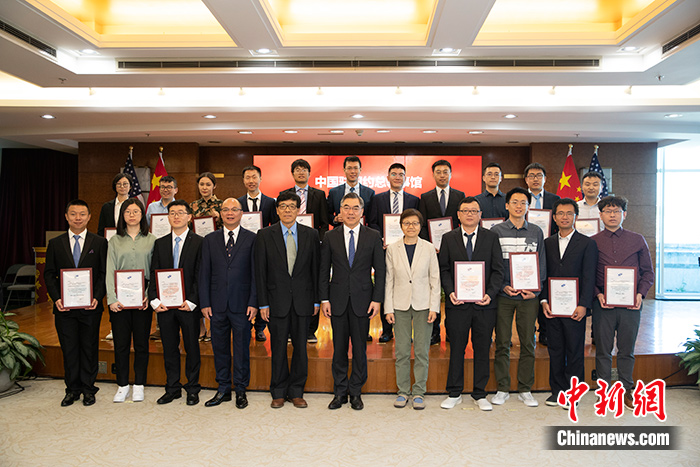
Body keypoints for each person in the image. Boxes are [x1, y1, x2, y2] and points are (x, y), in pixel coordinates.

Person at [255, 192, 320, 409]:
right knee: (278, 347)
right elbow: (260, 272)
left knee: (301, 348)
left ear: (299, 210)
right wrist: (263, 303)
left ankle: (297, 391)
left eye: (292, 206)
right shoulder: (265, 235)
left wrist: (316, 301)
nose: (287, 210)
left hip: (303, 301)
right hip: (276, 302)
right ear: (277, 210)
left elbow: (316, 270)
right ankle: (278, 391)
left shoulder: (311, 234)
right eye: (283, 206)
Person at [320, 193, 385, 411]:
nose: (350, 212)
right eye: (346, 207)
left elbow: (380, 271)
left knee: (359, 349)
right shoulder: (330, 236)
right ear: (340, 211)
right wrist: (324, 299)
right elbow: (323, 271)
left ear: (362, 211)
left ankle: (356, 391)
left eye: (355, 208)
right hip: (337, 300)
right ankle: (340, 392)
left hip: (363, 301)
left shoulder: (373, 236)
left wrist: (377, 299)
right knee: (338, 349)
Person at [438, 197, 504, 411]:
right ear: (458, 214)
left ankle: (479, 393)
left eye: (474, 211)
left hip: (484, 304)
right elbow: (444, 269)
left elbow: (498, 270)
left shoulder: (491, 237)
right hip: (457, 304)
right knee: (456, 347)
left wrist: (490, 294)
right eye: (465, 210)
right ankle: (454, 392)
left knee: (482, 348)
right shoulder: (448, 238)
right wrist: (450, 291)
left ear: (480, 214)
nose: (469, 214)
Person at [591, 196, 653, 410]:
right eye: (608, 211)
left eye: (616, 211)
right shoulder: (592, 242)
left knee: (626, 350)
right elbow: (588, 274)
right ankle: (604, 391)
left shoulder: (637, 240)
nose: (612, 215)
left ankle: (627, 390)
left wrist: (640, 294)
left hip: (631, 304)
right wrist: (597, 294)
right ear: (600, 215)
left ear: (624, 214)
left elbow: (648, 272)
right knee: (603, 350)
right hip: (603, 304)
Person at [44, 200, 108, 407]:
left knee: (89, 348)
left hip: (91, 307)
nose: (77, 218)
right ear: (66, 216)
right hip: (65, 308)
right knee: (69, 349)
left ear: (89, 217)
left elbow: (103, 274)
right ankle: (72, 390)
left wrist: (97, 296)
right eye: (73, 214)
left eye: (82, 214)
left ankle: (89, 389)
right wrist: (57, 298)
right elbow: (49, 274)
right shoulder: (56, 243)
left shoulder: (100, 242)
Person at [489, 187, 546, 408]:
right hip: (504, 295)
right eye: (515, 202)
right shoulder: (496, 231)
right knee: (502, 342)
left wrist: (536, 290)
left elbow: (541, 263)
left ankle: (525, 388)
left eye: (523, 202)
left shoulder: (536, 231)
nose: (519, 206)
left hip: (529, 296)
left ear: (529, 206)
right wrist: (503, 286)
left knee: (528, 342)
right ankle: (502, 388)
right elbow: (494, 264)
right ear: (507, 205)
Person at [199, 198, 258, 409]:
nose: (230, 213)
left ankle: (241, 389)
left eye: (234, 209)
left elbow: (256, 274)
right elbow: (204, 273)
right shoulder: (210, 239)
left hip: (242, 305)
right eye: (226, 210)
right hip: (216, 305)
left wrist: (253, 302)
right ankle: (223, 388)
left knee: (241, 349)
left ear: (242, 213)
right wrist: (205, 302)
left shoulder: (252, 239)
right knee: (220, 348)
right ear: (220, 213)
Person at [540, 198, 598, 407]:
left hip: (575, 308)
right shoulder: (546, 243)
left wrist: (583, 304)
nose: (564, 217)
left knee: (574, 350)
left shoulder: (587, 243)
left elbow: (589, 276)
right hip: (553, 307)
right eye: (560, 214)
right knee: (555, 349)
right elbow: (543, 274)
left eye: (569, 213)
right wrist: (544, 300)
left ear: (576, 217)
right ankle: (557, 391)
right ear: (554, 218)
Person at [148, 200, 203, 406]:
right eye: (172, 213)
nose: (176, 216)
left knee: (191, 347)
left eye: (181, 212)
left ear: (189, 217)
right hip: (165, 306)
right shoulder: (160, 243)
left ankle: (192, 388)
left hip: (188, 306)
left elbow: (200, 275)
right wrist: (154, 299)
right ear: (167, 217)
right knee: (169, 348)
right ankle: (172, 388)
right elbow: (154, 273)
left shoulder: (199, 242)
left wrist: (193, 301)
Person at [384, 209, 440, 410]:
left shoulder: (429, 248)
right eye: (406, 223)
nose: (411, 227)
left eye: (415, 223)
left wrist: (434, 307)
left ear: (420, 225)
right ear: (401, 226)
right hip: (399, 305)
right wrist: (388, 308)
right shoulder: (392, 249)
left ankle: (418, 392)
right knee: (401, 351)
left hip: (423, 305)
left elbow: (435, 279)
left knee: (422, 351)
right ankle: (403, 391)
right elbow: (389, 280)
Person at [106, 198, 157, 403]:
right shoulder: (114, 241)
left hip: (143, 298)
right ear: (122, 216)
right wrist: (112, 298)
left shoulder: (152, 240)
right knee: (121, 344)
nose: (132, 215)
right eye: (128, 212)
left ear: (142, 215)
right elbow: (109, 270)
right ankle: (122, 385)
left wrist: (148, 295)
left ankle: (139, 384)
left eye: (136, 211)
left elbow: (155, 271)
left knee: (142, 344)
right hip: (120, 299)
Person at [367, 163, 420, 343]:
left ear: (406, 178)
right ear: (388, 177)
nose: (397, 177)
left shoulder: (414, 200)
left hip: (408, 249)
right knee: (386, 285)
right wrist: (382, 238)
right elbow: (373, 222)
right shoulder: (377, 199)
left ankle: (407, 330)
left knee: (407, 286)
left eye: (401, 174)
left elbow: (417, 224)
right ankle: (387, 329)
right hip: (386, 249)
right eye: (394, 174)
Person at [279, 158, 329, 343]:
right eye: (297, 169)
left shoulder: (319, 194)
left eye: (304, 169)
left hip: (311, 245)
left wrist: (319, 241)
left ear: (309, 173)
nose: (301, 172)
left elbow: (324, 222)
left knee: (311, 283)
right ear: (292, 173)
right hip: (289, 243)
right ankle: (290, 329)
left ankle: (310, 330)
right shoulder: (284, 195)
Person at [418, 159, 465, 345]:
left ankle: (452, 330)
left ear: (451, 174)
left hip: (454, 251)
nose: (442, 175)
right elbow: (422, 225)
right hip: (432, 251)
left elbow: (463, 223)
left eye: (445, 171)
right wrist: (430, 245)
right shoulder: (425, 197)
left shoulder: (460, 195)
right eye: (438, 172)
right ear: (433, 175)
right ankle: (434, 332)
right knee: (434, 290)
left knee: (453, 289)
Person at [238, 165, 277, 342]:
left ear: (261, 179)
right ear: (243, 180)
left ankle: (260, 327)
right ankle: (246, 323)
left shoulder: (270, 202)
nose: (251, 181)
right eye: (248, 177)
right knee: (246, 285)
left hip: (264, 249)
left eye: (254, 177)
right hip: (243, 250)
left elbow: (274, 227)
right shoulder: (238, 203)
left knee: (263, 285)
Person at [523, 162, 560, 346]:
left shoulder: (555, 200)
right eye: (531, 176)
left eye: (539, 175)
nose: (535, 179)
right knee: (529, 288)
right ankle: (529, 330)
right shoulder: (520, 199)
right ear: (526, 179)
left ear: (545, 179)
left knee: (546, 288)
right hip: (527, 250)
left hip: (550, 248)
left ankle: (545, 330)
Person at [190, 172, 223, 341]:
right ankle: (201, 325)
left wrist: (219, 218)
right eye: (201, 184)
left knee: (213, 286)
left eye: (208, 184)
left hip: (216, 250)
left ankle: (212, 326)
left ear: (214, 186)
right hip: (196, 249)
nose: (204, 187)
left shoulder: (222, 205)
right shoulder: (192, 206)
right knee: (197, 284)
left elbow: (229, 226)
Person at [327, 156, 375, 228]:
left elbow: (373, 217)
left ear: (360, 170)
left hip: (363, 232)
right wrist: (335, 219)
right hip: (340, 231)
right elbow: (326, 214)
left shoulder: (369, 193)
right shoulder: (334, 192)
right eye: (349, 168)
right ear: (344, 170)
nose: (352, 171)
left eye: (355, 168)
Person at [98, 172, 133, 237]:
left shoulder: (135, 206)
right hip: (111, 239)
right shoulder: (106, 207)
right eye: (119, 184)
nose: (122, 186)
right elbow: (101, 229)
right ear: (115, 186)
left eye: (125, 184)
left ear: (130, 186)